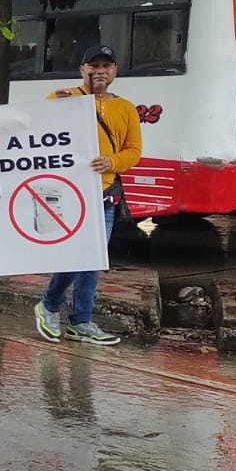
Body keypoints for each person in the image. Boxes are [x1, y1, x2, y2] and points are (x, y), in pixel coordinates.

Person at [34, 45, 142, 346]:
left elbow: (133, 151)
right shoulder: (67, 99)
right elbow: (35, 125)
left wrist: (113, 162)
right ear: (82, 70)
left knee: (92, 260)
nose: (100, 70)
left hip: (105, 195)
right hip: (70, 192)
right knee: (75, 254)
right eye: (93, 65)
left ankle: (82, 321)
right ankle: (49, 305)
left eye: (106, 65)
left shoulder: (126, 109)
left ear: (114, 71)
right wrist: (55, 102)